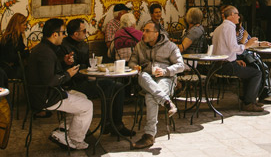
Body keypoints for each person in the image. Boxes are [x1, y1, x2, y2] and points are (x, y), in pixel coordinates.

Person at [25, 19, 93, 150]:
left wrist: (64, 62)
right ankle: (75, 139)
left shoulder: (44, 49)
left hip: (47, 93)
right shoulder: (45, 53)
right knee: (87, 106)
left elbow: (49, 71)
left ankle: (63, 130)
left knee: (82, 97)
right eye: (62, 33)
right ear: (54, 35)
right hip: (47, 97)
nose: (64, 36)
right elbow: (50, 80)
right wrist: (68, 74)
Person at [61, 18, 132, 137]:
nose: (86, 33)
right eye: (84, 31)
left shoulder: (83, 44)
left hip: (86, 78)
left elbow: (86, 65)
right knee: (108, 86)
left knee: (118, 87)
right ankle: (107, 123)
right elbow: (71, 68)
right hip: (73, 84)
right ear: (75, 34)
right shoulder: (64, 46)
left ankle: (117, 124)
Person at [129, 21, 185, 149]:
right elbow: (131, 61)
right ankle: (167, 101)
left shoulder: (170, 46)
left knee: (150, 96)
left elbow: (181, 66)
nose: (143, 33)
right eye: (143, 30)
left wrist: (165, 71)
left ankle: (149, 135)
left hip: (165, 79)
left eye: (147, 31)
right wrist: (134, 67)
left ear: (156, 33)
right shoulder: (139, 46)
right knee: (142, 75)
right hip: (147, 78)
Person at [211, 5, 265, 112]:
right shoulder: (230, 27)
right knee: (256, 73)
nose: (238, 17)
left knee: (248, 71)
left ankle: (248, 99)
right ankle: (249, 103)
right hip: (226, 66)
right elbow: (233, 47)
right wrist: (247, 45)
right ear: (231, 15)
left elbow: (224, 49)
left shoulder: (219, 28)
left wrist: (235, 59)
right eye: (237, 14)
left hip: (218, 64)